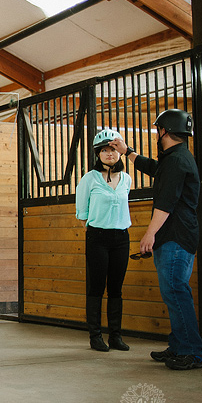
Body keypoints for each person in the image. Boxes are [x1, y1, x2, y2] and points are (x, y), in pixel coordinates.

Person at [111, 109, 202, 370]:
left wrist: (149, 234)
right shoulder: (176, 158)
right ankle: (179, 345)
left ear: (163, 131)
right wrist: (127, 150)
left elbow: (166, 203)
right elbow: (155, 169)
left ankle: (191, 352)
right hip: (176, 235)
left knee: (175, 290)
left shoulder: (177, 161)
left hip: (175, 235)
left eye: (157, 130)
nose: (156, 133)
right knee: (173, 291)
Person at [75, 129, 132, 352]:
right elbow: (82, 213)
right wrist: (94, 232)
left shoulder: (126, 179)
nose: (110, 154)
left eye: (114, 149)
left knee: (116, 288)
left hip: (121, 237)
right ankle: (95, 336)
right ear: (98, 154)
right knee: (97, 287)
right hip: (98, 237)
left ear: (120, 152)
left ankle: (116, 336)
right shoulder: (89, 179)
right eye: (105, 150)